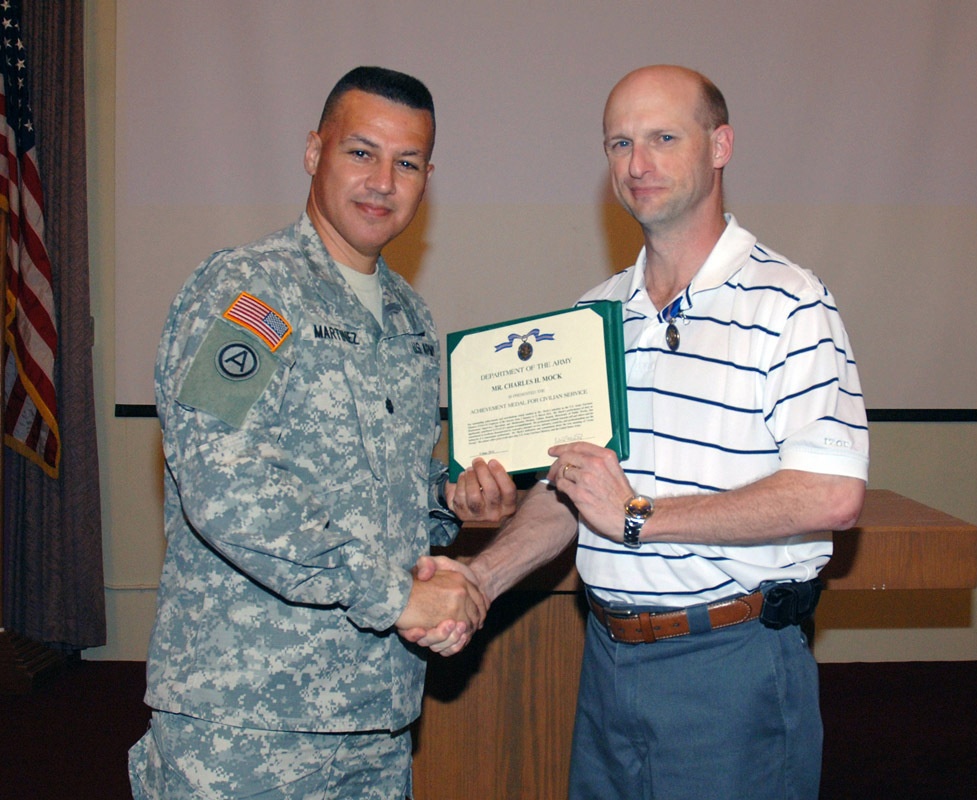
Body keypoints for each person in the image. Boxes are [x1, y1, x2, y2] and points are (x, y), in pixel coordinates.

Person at [408, 65, 869, 799]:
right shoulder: (594, 317)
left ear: (720, 146)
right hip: (607, 666)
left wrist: (638, 518)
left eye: (662, 138)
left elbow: (830, 496)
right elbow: (571, 497)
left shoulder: (791, 303)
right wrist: (481, 578)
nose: (638, 164)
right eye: (618, 143)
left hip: (732, 669)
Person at [128, 66, 515, 800]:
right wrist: (394, 595)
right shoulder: (248, 293)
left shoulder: (409, 319)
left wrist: (452, 498)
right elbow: (224, 484)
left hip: (376, 718)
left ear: (427, 178)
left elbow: (379, 483)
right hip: (244, 727)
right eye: (360, 152)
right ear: (314, 152)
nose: (382, 181)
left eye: (406, 163)